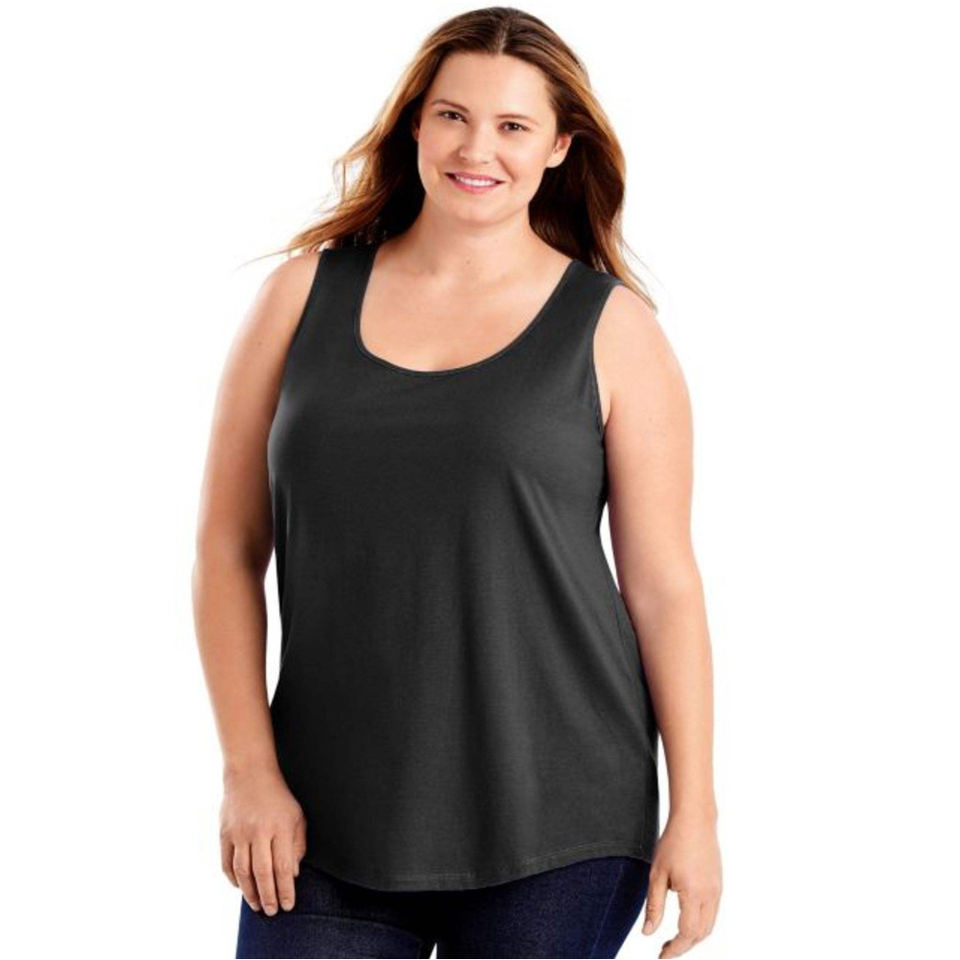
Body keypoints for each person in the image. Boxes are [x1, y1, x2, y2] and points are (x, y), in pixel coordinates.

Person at [192, 7, 722, 958]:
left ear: (559, 146)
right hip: (323, 814)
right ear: (415, 124)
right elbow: (227, 550)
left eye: (514, 125)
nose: (478, 149)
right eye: (452, 115)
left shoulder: (615, 330)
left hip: (561, 815)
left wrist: (696, 811)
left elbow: (663, 587)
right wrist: (247, 771)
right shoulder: (301, 297)